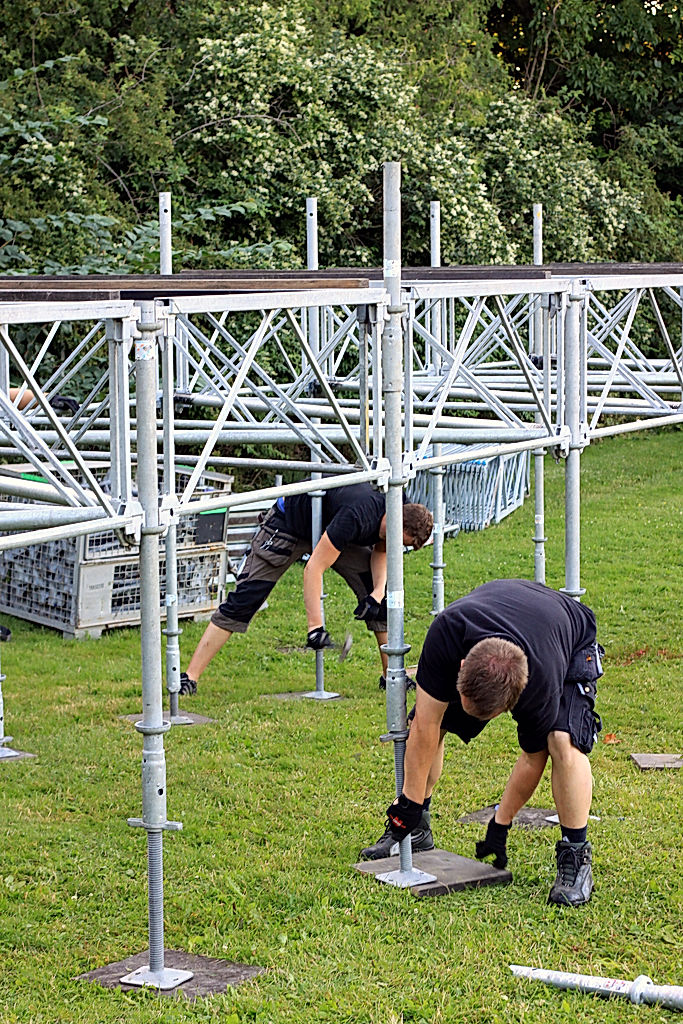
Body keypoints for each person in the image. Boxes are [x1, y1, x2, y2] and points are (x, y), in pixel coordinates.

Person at [360, 579, 604, 908]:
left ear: (509, 706)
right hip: (503, 610)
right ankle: (417, 829)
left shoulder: (540, 686)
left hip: (568, 635)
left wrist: (500, 824)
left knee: (562, 741)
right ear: (461, 668)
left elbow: (533, 759)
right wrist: (409, 804)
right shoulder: (445, 635)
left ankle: (576, 859)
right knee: (434, 718)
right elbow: (425, 726)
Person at [179, 482, 433, 695]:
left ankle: (391, 677)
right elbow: (313, 568)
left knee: (382, 601)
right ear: (397, 522)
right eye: (402, 541)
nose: (400, 546)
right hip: (290, 524)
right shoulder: (357, 515)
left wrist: (376, 596)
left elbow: (381, 548)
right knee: (246, 597)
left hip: (332, 527)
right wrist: (316, 628)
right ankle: (189, 678)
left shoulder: (399, 503)